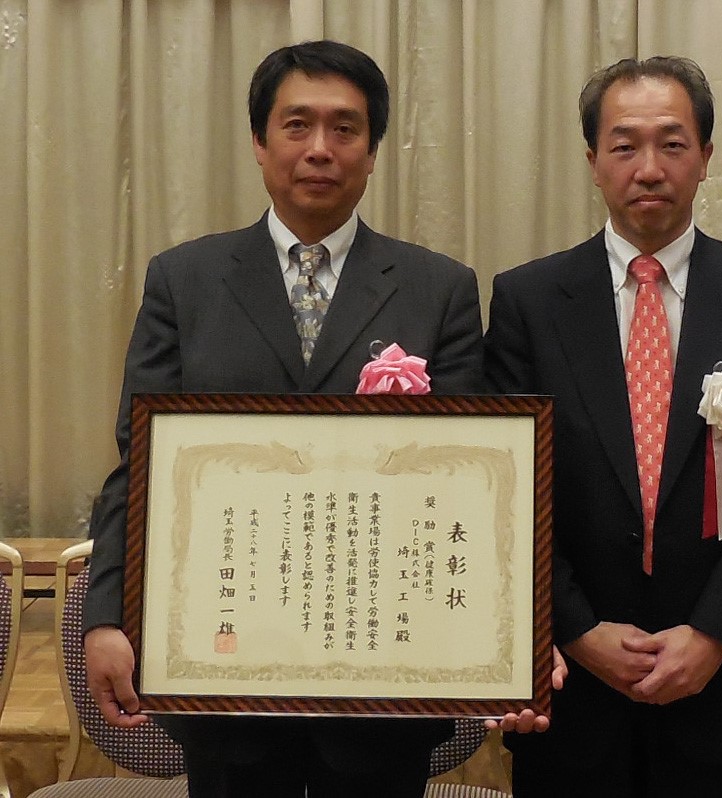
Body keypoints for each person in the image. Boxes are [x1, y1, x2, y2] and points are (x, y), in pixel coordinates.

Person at [83, 39, 484, 798]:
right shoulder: (185, 281)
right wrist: (106, 617)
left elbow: (467, 483)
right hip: (223, 676)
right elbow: (139, 466)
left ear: (372, 152)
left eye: (345, 129)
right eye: (297, 125)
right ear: (260, 145)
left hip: (382, 683)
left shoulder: (441, 290)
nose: (320, 150)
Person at [483, 56, 722, 797]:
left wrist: (710, 636)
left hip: (720, 679)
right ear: (592, 162)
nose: (648, 167)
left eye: (672, 144)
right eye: (624, 145)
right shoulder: (527, 301)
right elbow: (509, 491)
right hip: (572, 680)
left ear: (706, 157)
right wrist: (573, 629)